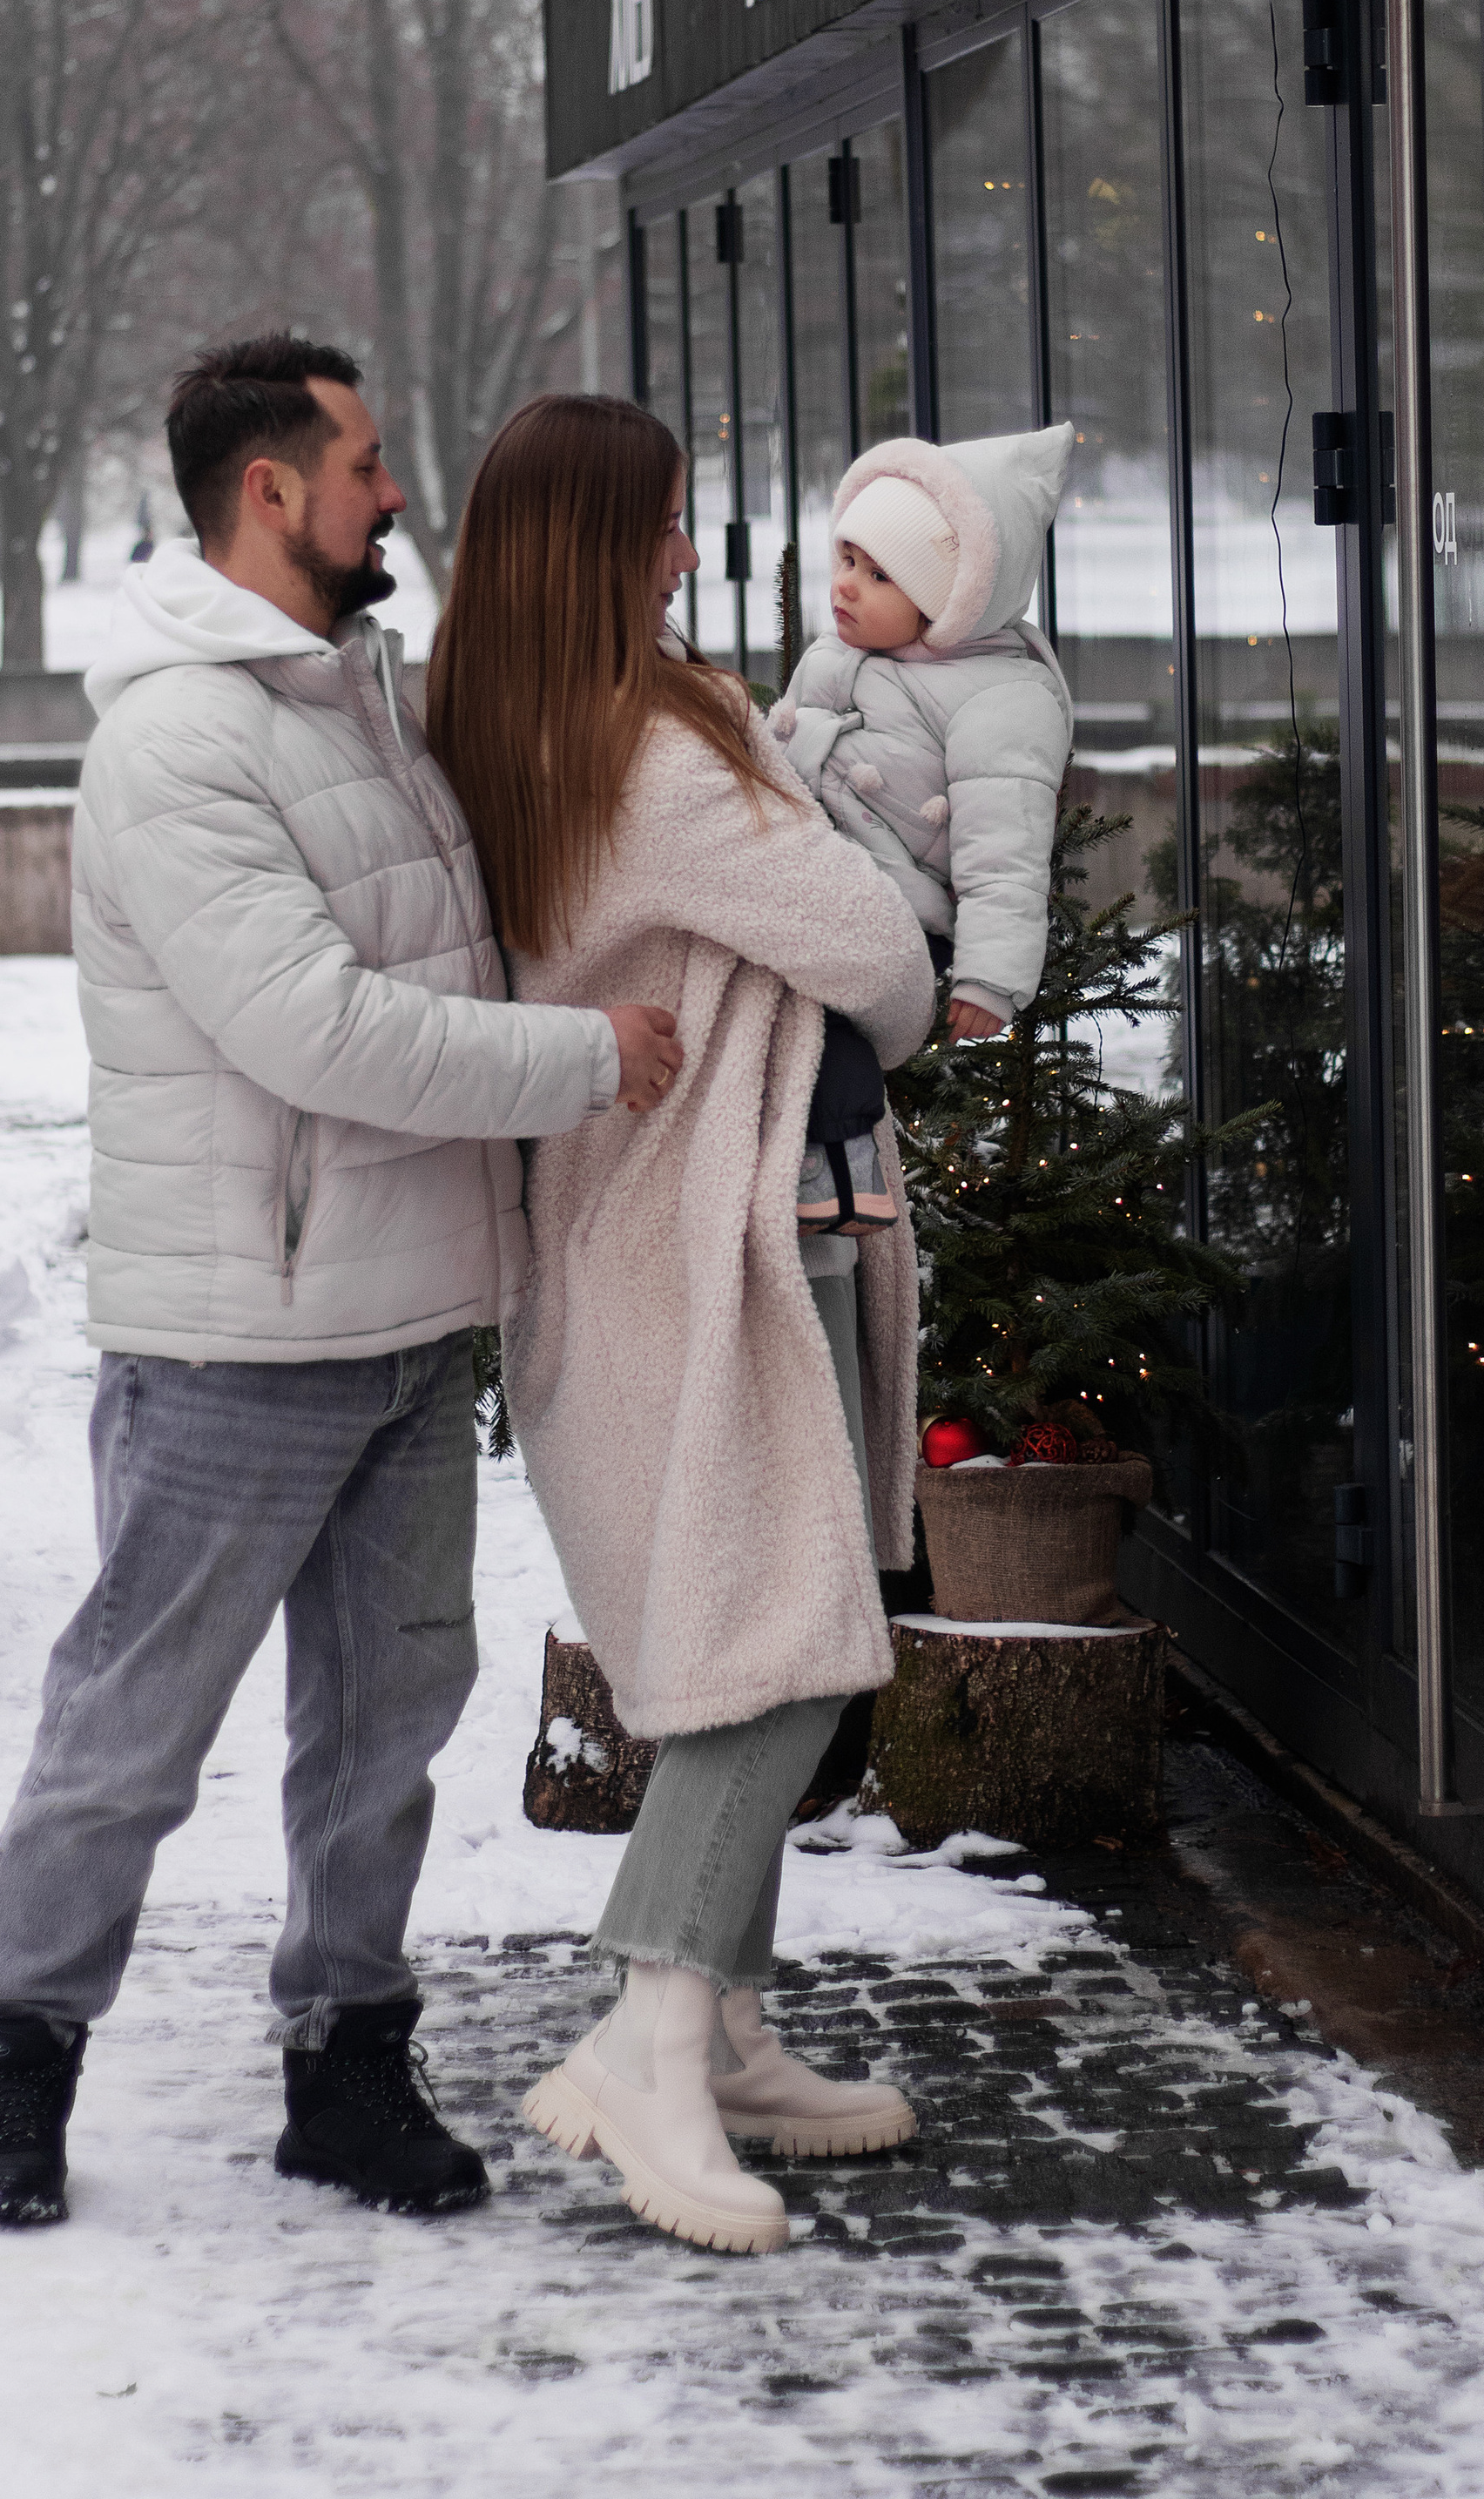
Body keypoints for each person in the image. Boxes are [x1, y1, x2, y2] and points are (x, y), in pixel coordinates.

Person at [0, 336, 685, 2234]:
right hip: (237, 1345)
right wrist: (591, 1058)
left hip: (411, 1325)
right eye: (363, 461)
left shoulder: (362, 705)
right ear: (268, 490)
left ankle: (346, 2067)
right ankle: (17, 2062)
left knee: (383, 1734)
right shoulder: (178, 745)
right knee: (132, 1733)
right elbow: (320, 1030)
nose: (393, 491)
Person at [428, 392, 937, 2259]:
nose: (679, 551)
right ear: (596, 545)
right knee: (784, 1641)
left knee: (750, 1625)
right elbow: (877, 953)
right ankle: (651, 2033)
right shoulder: (650, 750)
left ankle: (717, 2030)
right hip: (715, 1244)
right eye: (659, 522)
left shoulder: (506, 730)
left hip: (629, 1242)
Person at [766, 427, 1077, 1233]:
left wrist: (990, 978)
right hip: (820, 872)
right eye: (846, 559)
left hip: (904, 908)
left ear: (949, 600)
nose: (846, 586)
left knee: (822, 1010)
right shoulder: (832, 658)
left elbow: (1006, 851)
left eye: (880, 575)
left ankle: (842, 1164)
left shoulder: (998, 696)